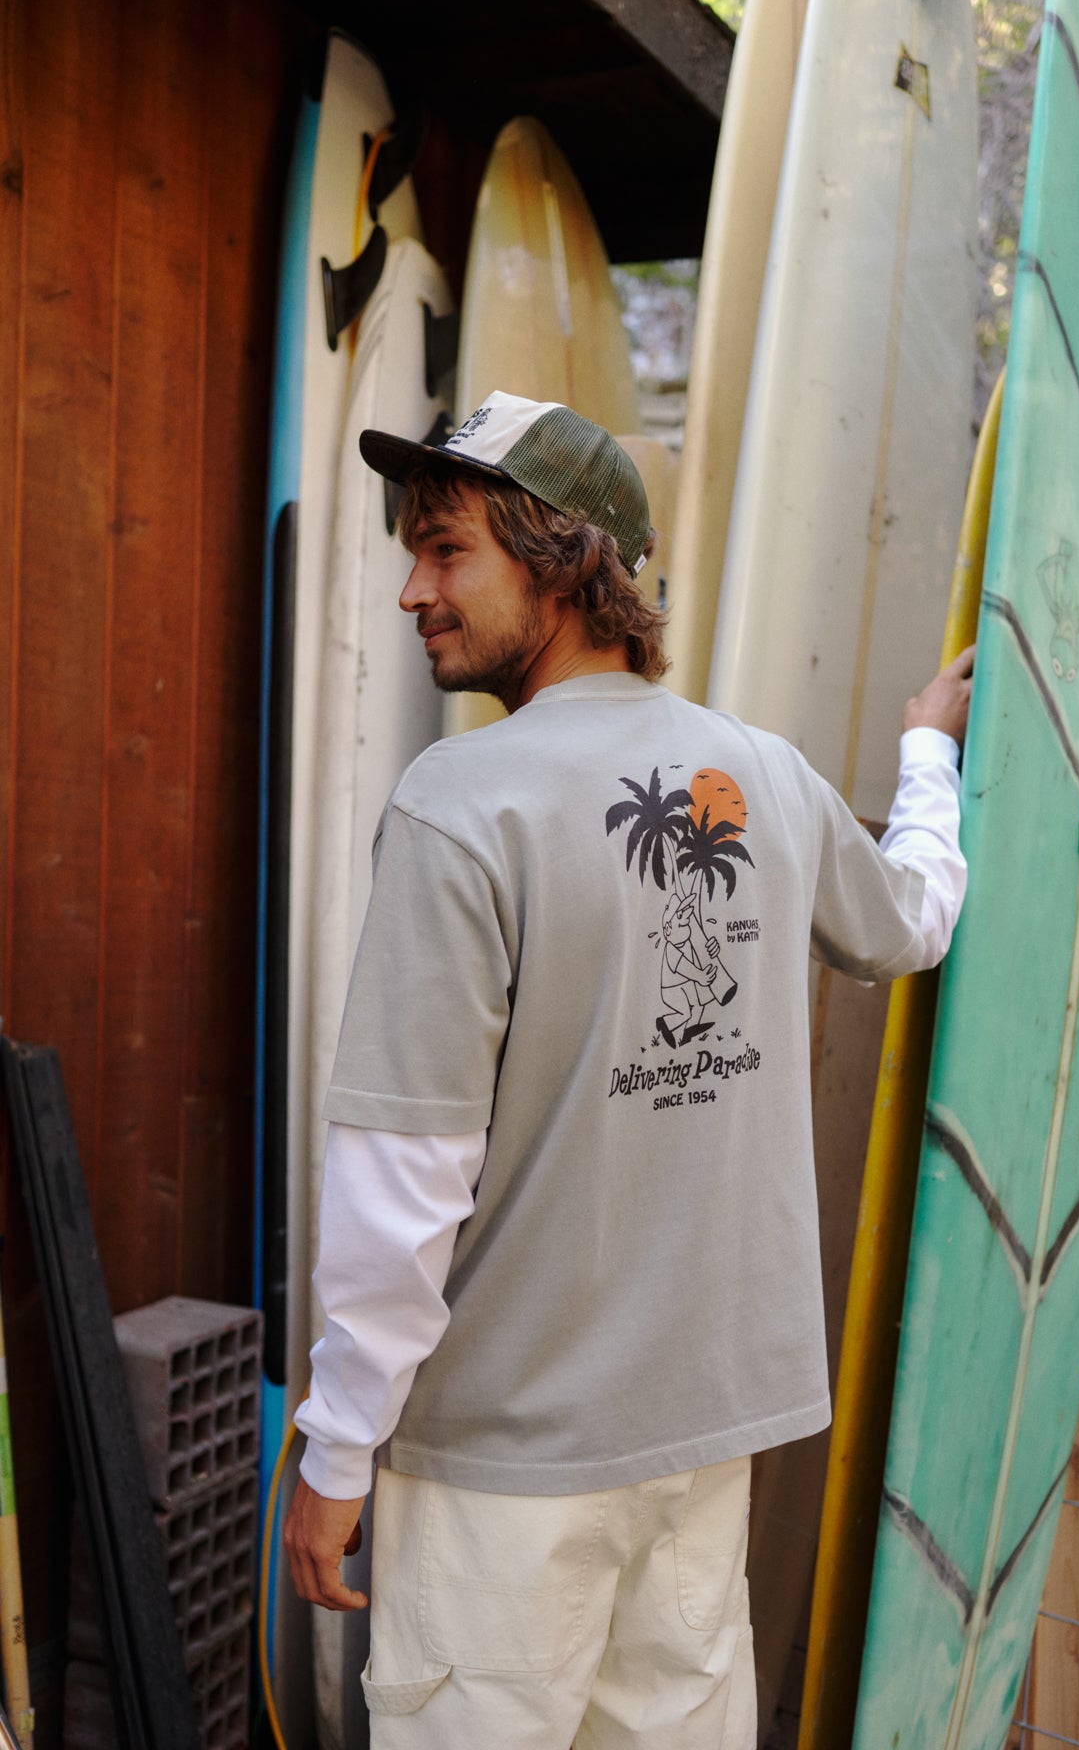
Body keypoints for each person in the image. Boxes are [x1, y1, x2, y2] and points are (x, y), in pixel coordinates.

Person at [283, 391, 973, 1748]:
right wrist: (928, 752)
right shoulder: (765, 775)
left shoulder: (458, 802)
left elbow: (403, 1185)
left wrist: (336, 1451)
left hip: (506, 1474)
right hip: (706, 1443)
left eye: (444, 549)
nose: (412, 589)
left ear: (562, 555)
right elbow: (913, 921)